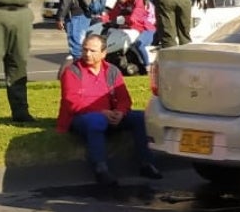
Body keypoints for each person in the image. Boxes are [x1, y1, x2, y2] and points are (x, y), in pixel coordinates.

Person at [57, 33, 162, 185]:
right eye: (85, 50)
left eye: (92, 51)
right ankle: (101, 169)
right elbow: (72, 102)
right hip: (81, 116)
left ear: (103, 53)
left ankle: (147, 164)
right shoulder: (72, 71)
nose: (87, 54)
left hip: (110, 114)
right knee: (97, 121)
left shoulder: (112, 71)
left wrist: (120, 112)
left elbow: (125, 99)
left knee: (140, 118)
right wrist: (101, 112)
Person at [104, 0, 156, 70]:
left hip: (148, 28)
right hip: (133, 28)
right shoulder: (122, 1)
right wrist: (102, 19)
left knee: (138, 44)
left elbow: (136, 17)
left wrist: (123, 19)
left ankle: (148, 67)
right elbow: (112, 14)